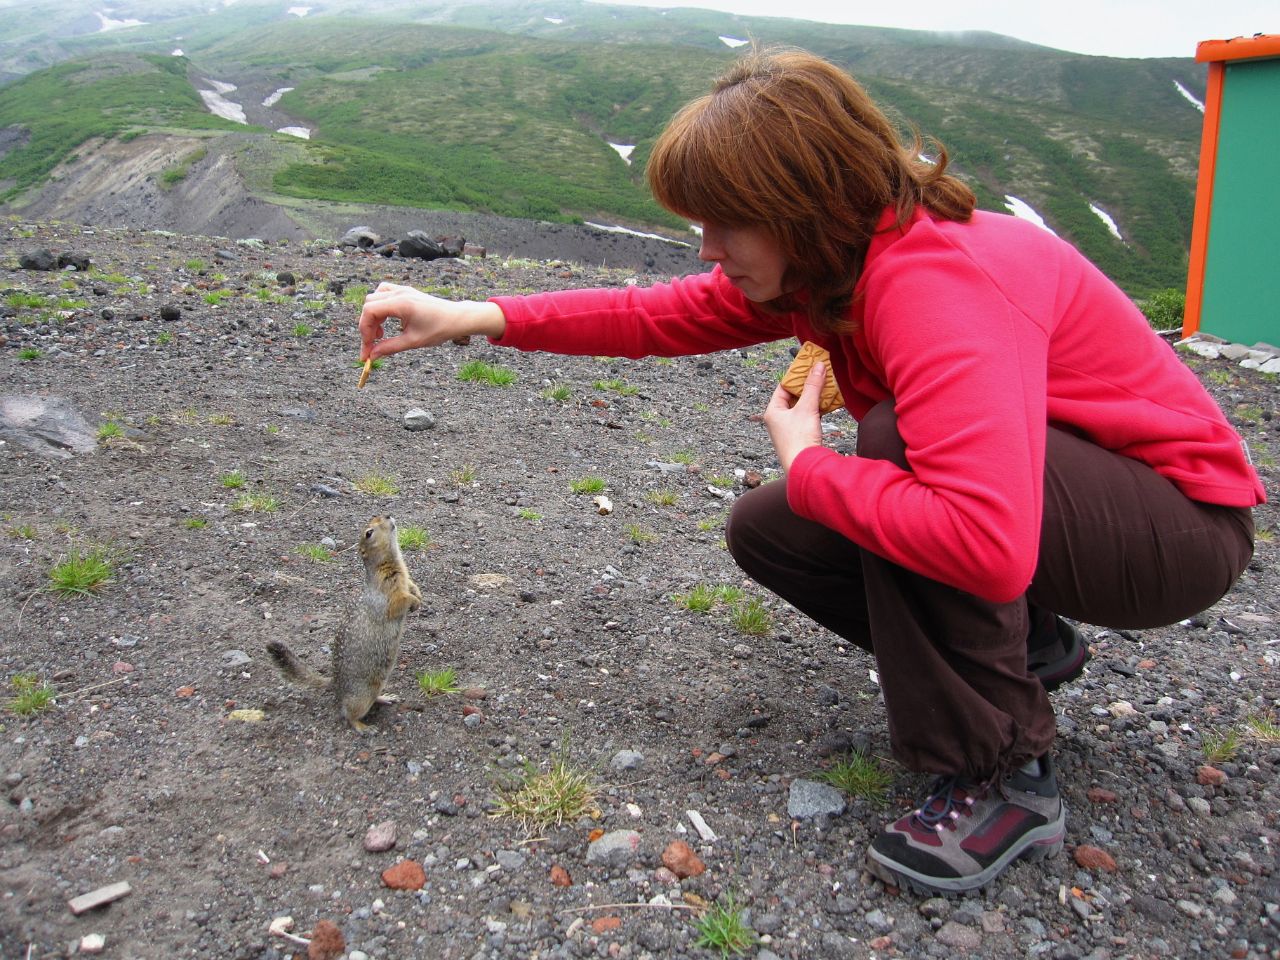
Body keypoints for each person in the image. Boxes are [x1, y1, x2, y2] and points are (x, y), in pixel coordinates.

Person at [357, 48, 1263, 895]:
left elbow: (982, 543)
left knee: (894, 450)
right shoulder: (834, 261)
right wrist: (474, 314)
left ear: (805, 205)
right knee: (771, 527)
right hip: (1059, 502)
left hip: (1174, 531)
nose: (707, 247)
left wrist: (811, 465)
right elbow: (659, 317)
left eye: (725, 223)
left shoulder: (936, 282)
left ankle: (1004, 775)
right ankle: (1029, 646)